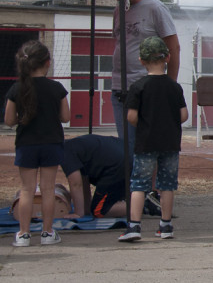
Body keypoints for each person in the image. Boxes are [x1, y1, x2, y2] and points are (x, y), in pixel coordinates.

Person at [118, 37, 188, 242]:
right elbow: (183, 116)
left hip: (146, 142)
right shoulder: (175, 88)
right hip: (170, 143)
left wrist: (145, 125)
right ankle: (165, 225)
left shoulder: (138, 87)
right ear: (167, 57)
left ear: (141, 60)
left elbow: (131, 117)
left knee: (139, 183)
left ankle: (134, 226)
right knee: (166, 184)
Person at [105, 0, 180, 158]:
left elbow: (174, 47)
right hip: (119, 87)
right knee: (127, 145)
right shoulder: (118, 11)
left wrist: (169, 85)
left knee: (146, 144)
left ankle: (148, 187)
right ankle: (134, 185)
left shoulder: (155, 8)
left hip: (146, 87)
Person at [5, 40, 70, 247]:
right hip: (51, 142)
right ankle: (48, 232)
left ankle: (24, 234)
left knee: (27, 190)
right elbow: (66, 117)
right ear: (47, 63)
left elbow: (8, 120)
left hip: (27, 143)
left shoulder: (17, 88)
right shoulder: (56, 88)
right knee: (48, 189)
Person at [62, 134, 129, 219]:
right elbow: (83, 180)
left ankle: (143, 205)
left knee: (99, 211)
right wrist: (85, 209)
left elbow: (76, 184)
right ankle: (139, 199)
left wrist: (78, 214)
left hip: (118, 165)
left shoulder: (65, 152)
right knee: (97, 205)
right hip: (126, 154)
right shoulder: (73, 146)